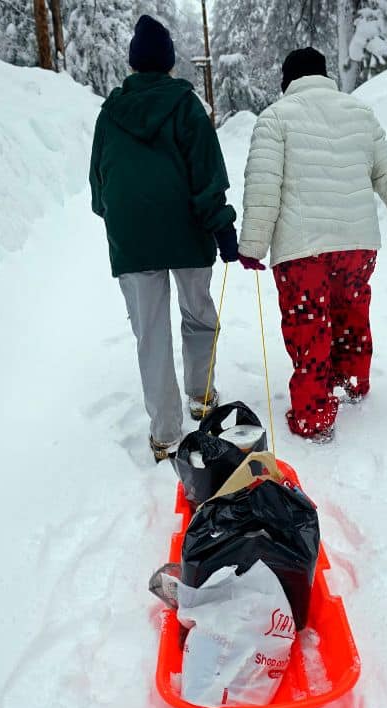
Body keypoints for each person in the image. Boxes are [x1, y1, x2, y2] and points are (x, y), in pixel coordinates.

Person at [236, 47, 387, 444]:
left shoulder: (275, 118)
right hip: (357, 245)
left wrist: (253, 245)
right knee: (351, 310)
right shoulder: (360, 114)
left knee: (308, 325)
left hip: (302, 251)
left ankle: (313, 416)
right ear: (324, 75)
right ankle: (352, 379)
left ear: (288, 80)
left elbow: (264, 189)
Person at [90, 15, 242, 462]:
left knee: (150, 334)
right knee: (198, 312)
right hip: (189, 231)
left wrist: (122, 217)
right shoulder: (187, 106)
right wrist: (222, 226)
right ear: (170, 63)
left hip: (132, 240)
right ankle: (201, 394)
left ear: (134, 65)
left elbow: (99, 188)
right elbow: (208, 175)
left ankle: (165, 434)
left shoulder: (109, 114)